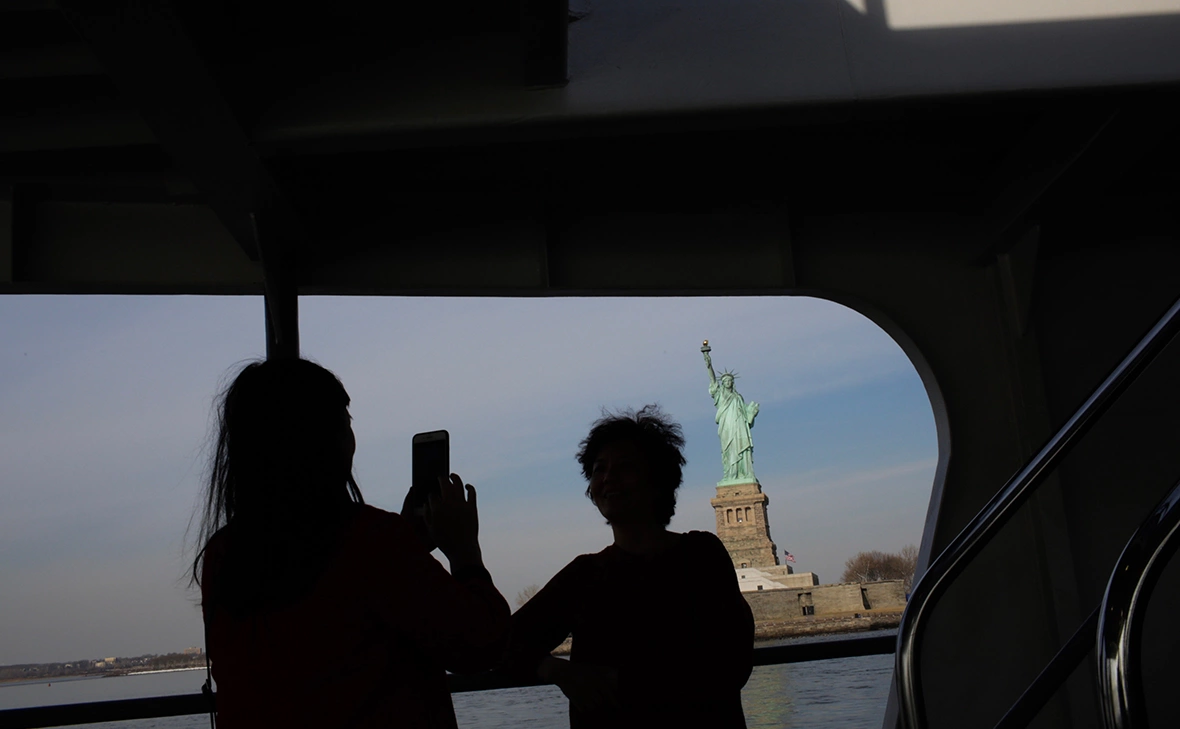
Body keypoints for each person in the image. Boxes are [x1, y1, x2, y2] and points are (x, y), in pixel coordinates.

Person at [190, 358, 509, 728]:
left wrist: (406, 546)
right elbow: (480, 642)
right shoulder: (372, 541)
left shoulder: (222, 556)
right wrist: (465, 551)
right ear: (327, 440)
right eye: (345, 422)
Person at [506, 405, 754, 729]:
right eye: (599, 469)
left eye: (624, 467)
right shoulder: (584, 575)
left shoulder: (702, 555)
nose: (608, 478)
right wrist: (557, 670)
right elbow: (500, 644)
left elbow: (731, 664)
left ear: (658, 481)